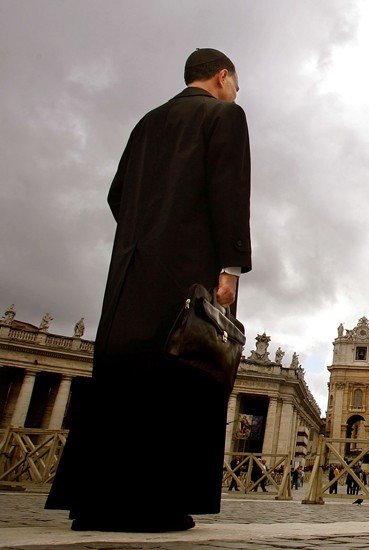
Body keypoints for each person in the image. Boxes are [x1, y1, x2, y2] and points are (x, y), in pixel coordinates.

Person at [45, 48, 252, 532]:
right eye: (236, 84)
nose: (236, 92)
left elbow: (117, 194)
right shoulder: (225, 116)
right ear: (222, 77)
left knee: (120, 377)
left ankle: (95, 503)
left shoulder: (147, 121)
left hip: (131, 266)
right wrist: (230, 266)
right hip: (188, 268)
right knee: (182, 372)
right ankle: (157, 504)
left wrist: (145, 231)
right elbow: (228, 191)